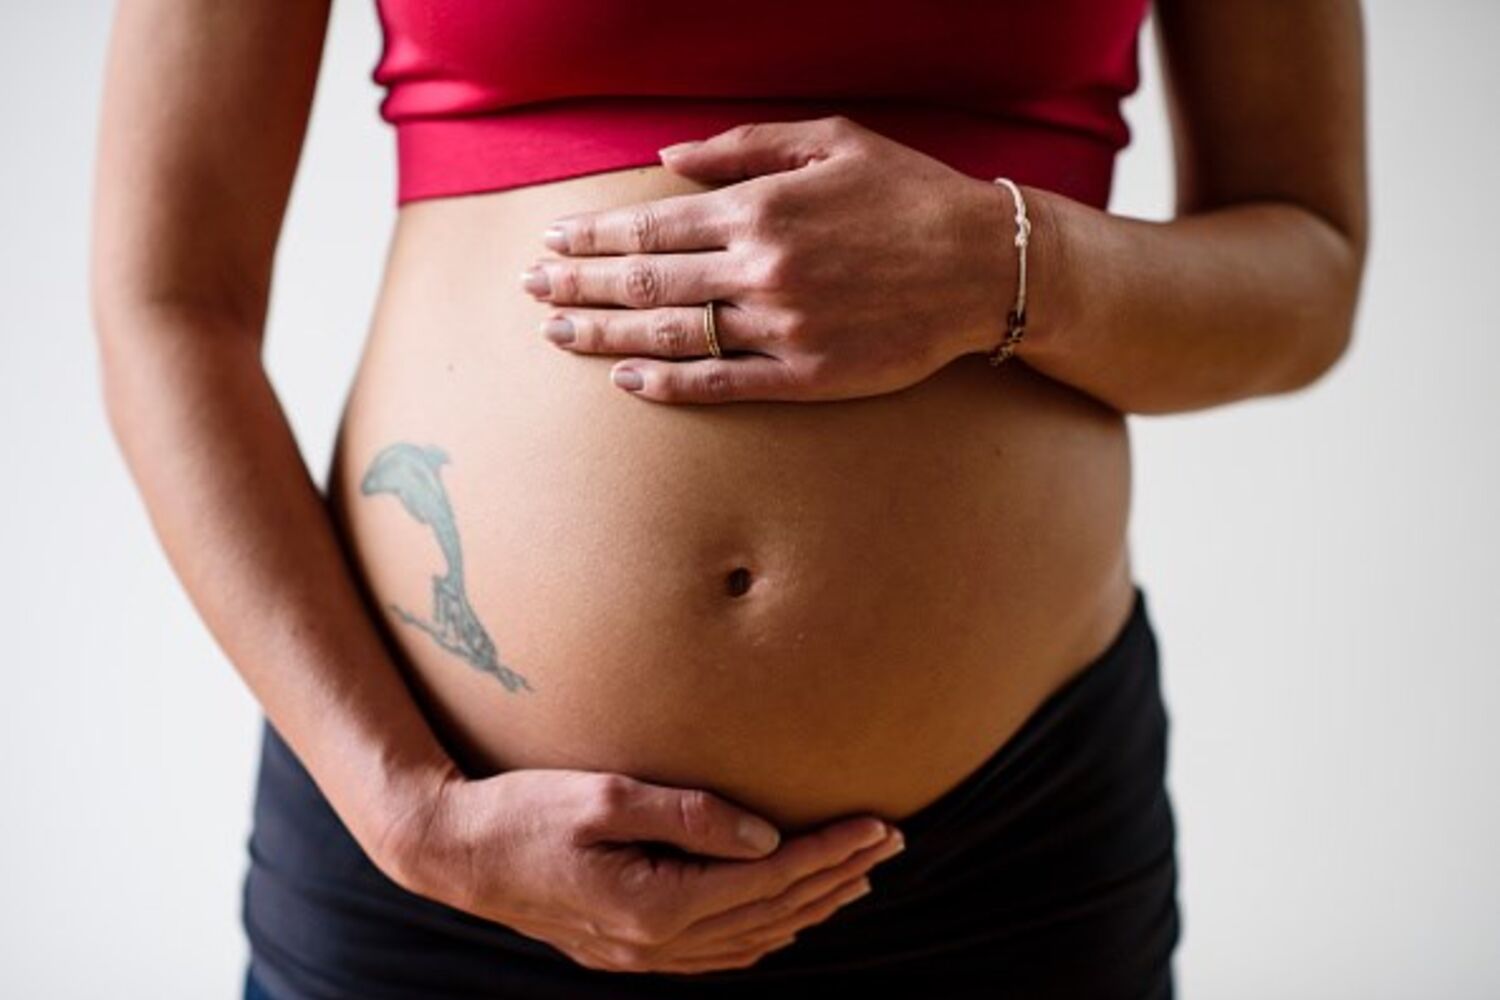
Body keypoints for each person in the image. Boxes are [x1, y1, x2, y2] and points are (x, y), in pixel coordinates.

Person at [90, 1, 1367, 997]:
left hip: (1000, 858)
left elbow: (1307, 270)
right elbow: (169, 301)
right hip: (450, 857)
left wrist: (1010, 263)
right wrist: (409, 813)